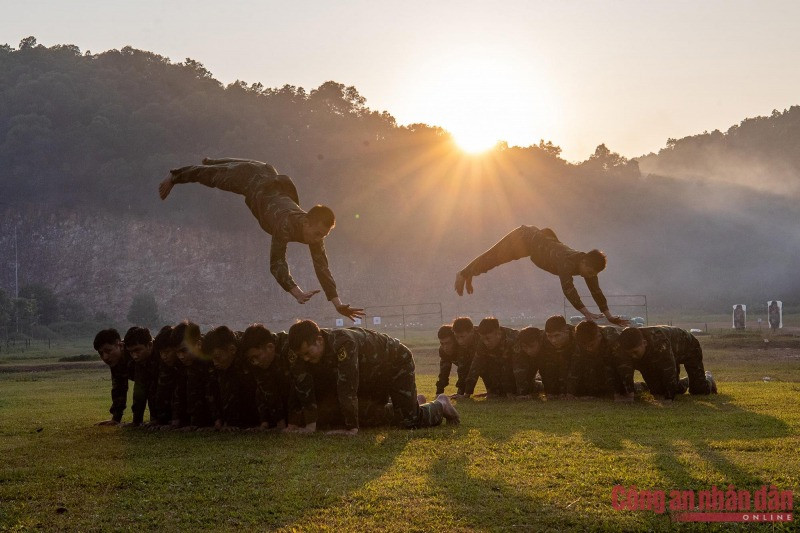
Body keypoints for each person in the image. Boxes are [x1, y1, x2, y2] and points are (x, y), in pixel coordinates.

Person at [159, 157, 364, 321]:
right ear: (306, 222)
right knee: (213, 176)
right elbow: (276, 262)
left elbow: (322, 268)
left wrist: (338, 305)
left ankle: (212, 160)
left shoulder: (314, 235)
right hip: (253, 180)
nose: (318, 240)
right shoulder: (285, 224)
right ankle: (176, 174)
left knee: (224, 165)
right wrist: (296, 291)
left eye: (324, 236)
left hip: (269, 176)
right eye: (318, 234)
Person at [286, 320, 460, 434]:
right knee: (370, 415)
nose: (306, 360)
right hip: (372, 373)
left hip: (395, 362)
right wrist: (304, 423)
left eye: (308, 354)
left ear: (319, 340)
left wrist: (351, 429)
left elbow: (347, 387)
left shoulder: (343, 343)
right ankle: (414, 402)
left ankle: (441, 404)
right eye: (302, 356)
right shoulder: (307, 350)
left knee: (409, 422)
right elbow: (302, 385)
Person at [454, 225, 628, 325]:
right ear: (584, 263)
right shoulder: (566, 261)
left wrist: (609, 316)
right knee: (495, 257)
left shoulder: (588, 267)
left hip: (536, 247)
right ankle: (463, 273)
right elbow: (568, 289)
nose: (588, 276)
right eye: (589, 272)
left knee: (494, 260)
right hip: (525, 237)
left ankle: (469, 273)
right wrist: (586, 313)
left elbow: (596, 291)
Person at [618, 326, 717, 402]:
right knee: (660, 391)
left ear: (644, 343)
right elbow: (625, 370)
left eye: (635, 352)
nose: (633, 357)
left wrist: (668, 398)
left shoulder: (659, 341)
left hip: (688, 348)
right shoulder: (626, 346)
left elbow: (669, 369)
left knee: (698, 390)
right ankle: (686, 381)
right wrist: (628, 393)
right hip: (670, 352)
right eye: (629, 354)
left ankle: (708, 378)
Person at [203, 325, 260, 430]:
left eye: (217, 358)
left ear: (232, 350)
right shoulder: (218, 363)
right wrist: (218, 419)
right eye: (212, 359)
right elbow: (212, 391)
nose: (215, 363)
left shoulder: (248, 355)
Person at [462, 318, 518, 399]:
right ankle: (494, 391)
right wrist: (467, 393)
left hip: (519, 372)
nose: (486, 342)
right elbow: (475, 366)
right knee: (485, 364)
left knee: (533, 387)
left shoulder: (513, 339)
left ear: (498, 333)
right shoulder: (483, 343)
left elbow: (519, 366)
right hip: (500, 370)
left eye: (488, 339)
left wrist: (518, 393)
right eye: (483, 339)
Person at [93, 328, 132, 426]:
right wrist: (116, 418)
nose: (105, 357)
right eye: (101, 353)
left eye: (108, 351)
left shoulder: (135, 351)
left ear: (120, 345)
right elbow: (119, 389)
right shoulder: (116, 362)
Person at [124, 326, 160, 427]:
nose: (134, 356)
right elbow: (139, 390)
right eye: (131, 352)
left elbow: (164, 388)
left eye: (137, 350)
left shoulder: (162, 352)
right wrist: (136, 421)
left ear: (149, 345)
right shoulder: (140, 360)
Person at [435, 325, 471, 397]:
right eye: (442, 343)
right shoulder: (443, 350)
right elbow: (444, 371)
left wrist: (460, 393)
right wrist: (439, 392)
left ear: (455, 340)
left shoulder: (462, 347)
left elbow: (463, 371)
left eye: (448, 343)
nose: (445, 347)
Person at [512, 327, 545, 398]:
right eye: (525, 347)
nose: (529, 351)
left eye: (532, 346)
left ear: (540, 342)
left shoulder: (548, 346)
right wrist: (523, 394)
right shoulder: (520, 352)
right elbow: (520, 375)